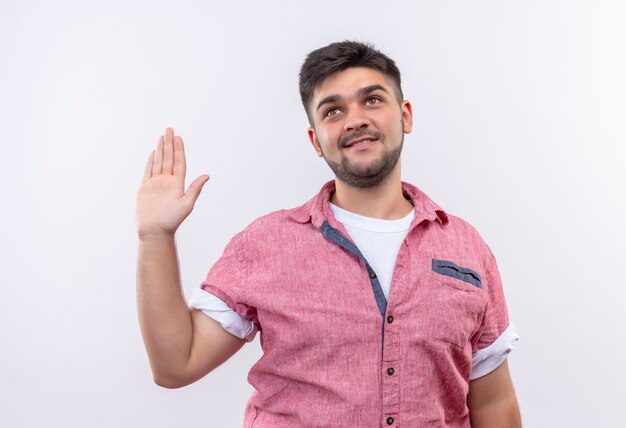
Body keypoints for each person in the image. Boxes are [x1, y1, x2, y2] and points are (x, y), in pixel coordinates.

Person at [135, 41, 522, 427]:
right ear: (316, 140)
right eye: (333, 110)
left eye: (372, 100)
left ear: (405, 115)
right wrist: (155, 236)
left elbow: (493, 403)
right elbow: (176, 364)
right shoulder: (266, 243)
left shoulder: (468, 248)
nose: (355, 120)